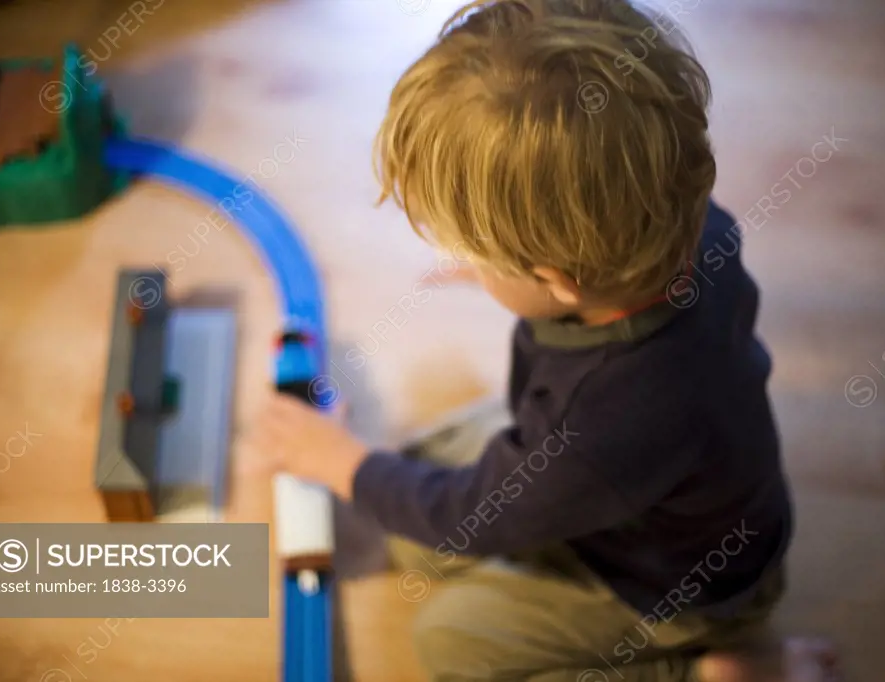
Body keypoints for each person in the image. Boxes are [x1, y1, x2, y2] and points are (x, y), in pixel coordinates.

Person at [246, 1, 839, 680]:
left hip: (673, 589)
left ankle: (712, 670)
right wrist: (502, 261)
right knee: (415, 521)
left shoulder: (603, 422)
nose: (464, 256)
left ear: (555, 280)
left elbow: (474, 514)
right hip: (658, 500)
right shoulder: (695, 229)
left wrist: (341, 462)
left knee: (453, 641)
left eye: (478, 249)